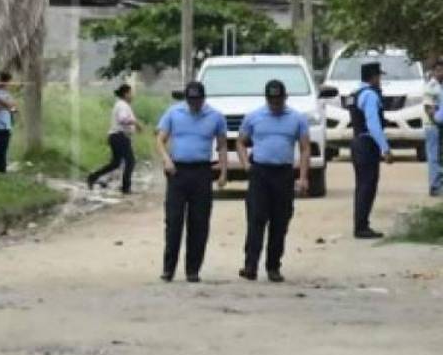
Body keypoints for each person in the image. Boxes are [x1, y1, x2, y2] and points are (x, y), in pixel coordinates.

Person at [236, 80, 310, 283]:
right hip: (260, 173)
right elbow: (240, 142)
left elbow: (304, 148)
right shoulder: (254, 117)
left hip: (284, 173)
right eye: (271, 100)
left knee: (280, 221)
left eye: (278, 100)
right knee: (256, 219)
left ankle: (273, 266)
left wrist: (303, 177)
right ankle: (250, 265)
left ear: (285, 98)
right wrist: (245, 164)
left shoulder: (297, 119)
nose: (275, 104)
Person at [155, 81, 228, 283]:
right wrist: (166, 159)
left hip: (202, 172)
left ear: (203, 99)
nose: (194, 104)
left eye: (197, 100)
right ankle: (168, 268)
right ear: (186, 99)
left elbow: (222, 146)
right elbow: (160, 139)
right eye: (190, 100)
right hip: (178, 171)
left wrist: (223, 172)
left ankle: (193, 269)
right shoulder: (174, 113)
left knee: (199, 222)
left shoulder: (215, 117)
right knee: (173, 221)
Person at [349, 62, 394, 239]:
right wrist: (386, 148)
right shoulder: (370, 95)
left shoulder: (356, 93)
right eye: (379, 77)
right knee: (367, 185)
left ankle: (360, 223)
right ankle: (361, 227)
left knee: (362, 185)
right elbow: (373, 124)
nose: (380, 80)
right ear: (373, 77)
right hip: (367, 143)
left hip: (357, 141)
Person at [87, 84, 143, 193]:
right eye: (131, 93)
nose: (132, 96)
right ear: (126, 94)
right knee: (130, 161)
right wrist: (136, 123)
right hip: (119, 136)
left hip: (116, 136)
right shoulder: (122, 105)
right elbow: (122, 119)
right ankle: (126, 187)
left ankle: (93, 177)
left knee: (115, 163)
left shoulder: (122, 104)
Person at [423, 60, 443, 197]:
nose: (441, 73)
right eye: (439, 70)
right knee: (433, 156)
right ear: (434, 71)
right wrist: (436, 119)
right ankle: (434, 186)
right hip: (433, 126)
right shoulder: (431, 86)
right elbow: (428, 108)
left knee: (439, 156)